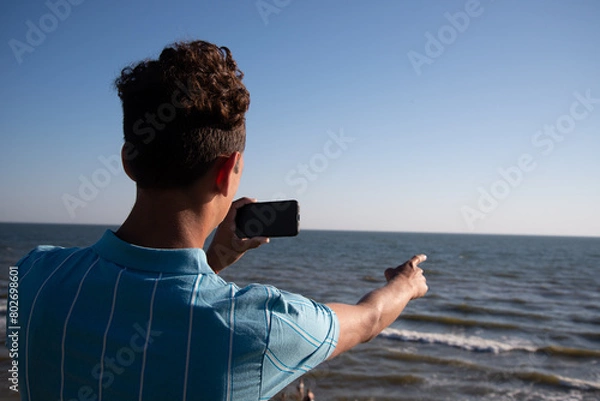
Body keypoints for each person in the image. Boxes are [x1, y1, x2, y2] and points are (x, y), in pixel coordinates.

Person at [11, 40, 428, 401]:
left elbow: (148, 310)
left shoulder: (31, 276)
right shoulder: (262, 327)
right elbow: (369, 319)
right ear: (229, 171)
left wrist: (214, 260)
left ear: (127, 161)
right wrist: (405, 284)